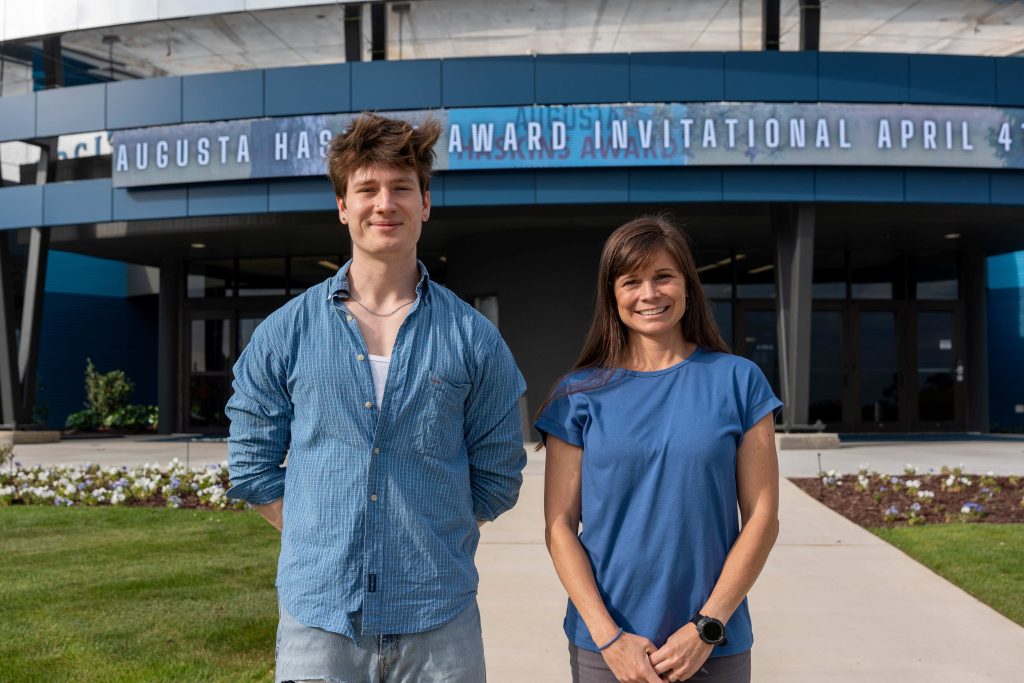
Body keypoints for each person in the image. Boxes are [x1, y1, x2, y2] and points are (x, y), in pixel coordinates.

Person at [225, 113, 527, 683]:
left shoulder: (473, 338)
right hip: (318, 625)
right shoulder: (285, 333)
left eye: (401, 188)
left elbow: (498, 475)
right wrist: (322, 539)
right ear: (343, 206)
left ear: (425, 204)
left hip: (441, 626)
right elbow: (250, 465)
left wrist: (431, 540)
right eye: (366, 189)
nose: (384, 203)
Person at [535, 216, 781, 683]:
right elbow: (560, 526)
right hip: (608, 648)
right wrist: (609, 639)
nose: (649, 294)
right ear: (613, 294)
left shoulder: (739, 381)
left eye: (663, 276)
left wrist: (706, 627)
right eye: (632, 282)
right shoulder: (577, 394)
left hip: (714, 643)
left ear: (687, 285)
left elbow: (763, 519)